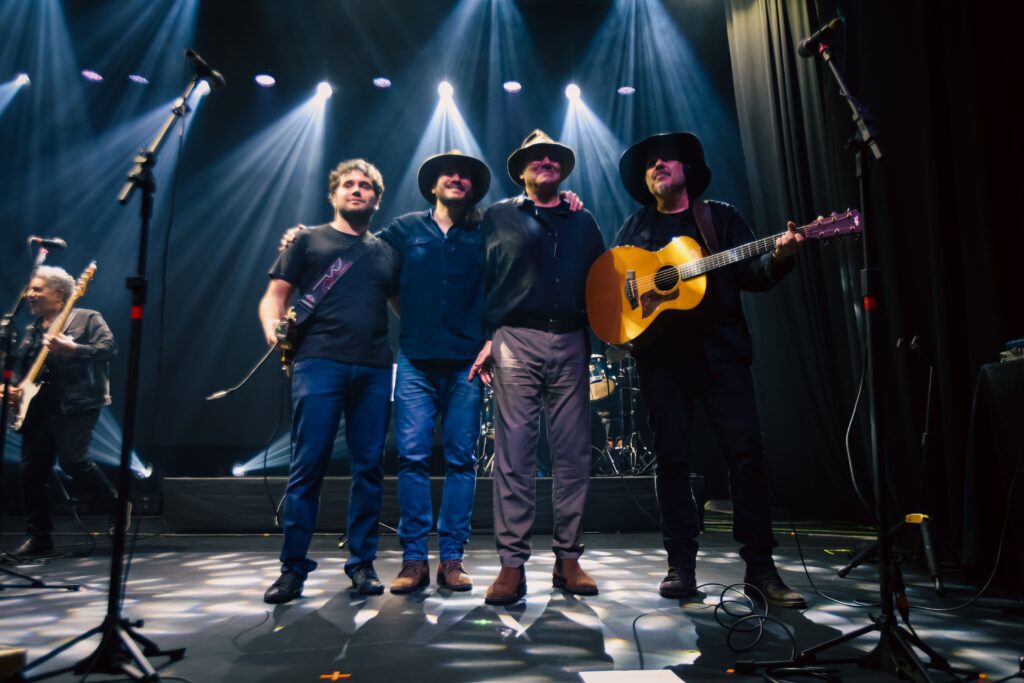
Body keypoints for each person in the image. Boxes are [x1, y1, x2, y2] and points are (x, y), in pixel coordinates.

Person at [611, 132, 806, 607]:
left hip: (722, 356)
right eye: (650, 163)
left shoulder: (719, 219)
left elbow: (752, 273)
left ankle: (760, 569)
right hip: (661, 362)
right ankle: (681, 567)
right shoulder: (634, 229)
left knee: (745, 456)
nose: (659, 165)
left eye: (668, 160)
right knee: (673, 461)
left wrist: (779, 257)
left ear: (687, 170)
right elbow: (614, 290)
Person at [469, 130, 606, 605]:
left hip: (570, 338)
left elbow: (602, 281)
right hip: (515, 338)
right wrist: (486, 337)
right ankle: (511, 566)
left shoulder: (583, 219)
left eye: (553, 157)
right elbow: (480, 279)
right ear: (523, 170)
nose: (545, 162)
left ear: (562, 169)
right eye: (535, 158)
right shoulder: (497, 216)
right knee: (514, 455)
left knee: (573, 454)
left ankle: (568, 560)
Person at [259, 159, 400, 604]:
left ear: (377, 199)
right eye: (348, 185)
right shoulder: (306, 240)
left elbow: (402, 308)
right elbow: (274, 298)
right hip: (319, 363)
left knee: (369, 470)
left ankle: (361, 564)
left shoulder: (387, 251)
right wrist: (275, 330)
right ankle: (292, 569)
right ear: (334, 194)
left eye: (365, 186)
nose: (356, 190)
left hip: (376, 368)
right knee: (307, 467)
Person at [379, 150, 491, 594]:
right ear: (432, 184)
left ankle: (452, 559)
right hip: (415, 360)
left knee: (462, 459)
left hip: (467, 362)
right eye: (449, 173)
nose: (457, 178)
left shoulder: (485, 231)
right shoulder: (405, 229)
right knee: (411, 457)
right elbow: (373, 269)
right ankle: (412, 561)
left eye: (465, 175)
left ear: (472, 187)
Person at [7, 266, 119, 558]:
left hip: (77, 403)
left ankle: (117, 508)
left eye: (37, 289)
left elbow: (109, 348)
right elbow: (22, 371)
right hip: (37, 409)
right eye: (29, 289)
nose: (29, 295)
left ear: (59, 293)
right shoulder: (32, 331)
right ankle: (38, 537)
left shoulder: (86, 318)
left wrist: (75, 349)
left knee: (74, 461)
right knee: (32, 472)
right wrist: (12, 389)